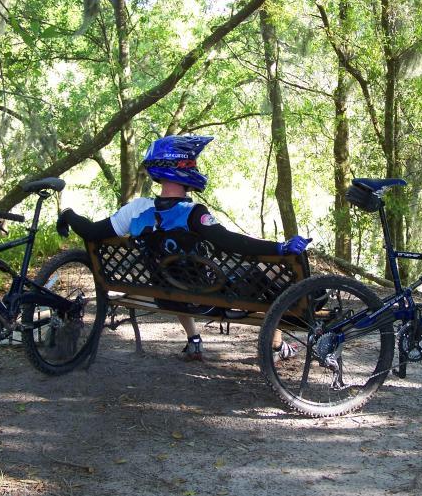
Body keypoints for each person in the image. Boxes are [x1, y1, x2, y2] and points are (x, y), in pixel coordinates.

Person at [56, 135, 311, 361]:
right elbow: (231, 242)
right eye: (191, 164)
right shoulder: (194, 214)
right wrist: (280, 247)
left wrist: (67, 213)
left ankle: (194, 340)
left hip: (165, 294)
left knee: (174, 272)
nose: (195, 169)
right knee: (259, 275)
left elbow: (90, 232)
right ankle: (277, 347)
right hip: (206, 301)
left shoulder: (136, 210)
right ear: (180, 168)